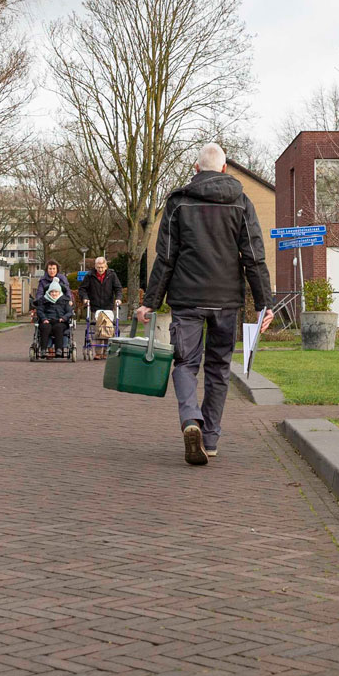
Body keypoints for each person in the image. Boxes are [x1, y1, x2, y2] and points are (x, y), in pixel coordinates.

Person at [135, 142, 274, 466]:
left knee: (185, 364)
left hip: (187, 299)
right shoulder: (241, 201)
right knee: (218, 368)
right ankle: (209, 440)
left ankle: (190, 421)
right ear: (224, 169)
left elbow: (165, 257)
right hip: (226, 301)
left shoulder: (179, 202)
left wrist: (151, 303)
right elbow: (254, 256)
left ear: (196, 169)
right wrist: (264, 304)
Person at [78, 256, 123, 358]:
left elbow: (118, 288)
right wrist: (85, 298)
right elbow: (82, 289)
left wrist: (118, 299)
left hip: (108, 306)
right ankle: (98, 352)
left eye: (102, 267)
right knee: (98, 327)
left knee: (107, 327)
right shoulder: (90, 275)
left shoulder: (112, 275)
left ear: (106, 266)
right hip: (95, 306)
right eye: (98, 267)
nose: (100, 269)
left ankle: (106, 352)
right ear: (95, 266)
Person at [33, 279, 73, 357]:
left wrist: (64, 318)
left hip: (60, 321)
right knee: (45, 327)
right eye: (52, 292)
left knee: (58, 327)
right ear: (49, 292)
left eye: (56, 292)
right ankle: (43, 350)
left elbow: (69, 312)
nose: (54, 294)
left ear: (59, 292)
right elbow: (40, 311)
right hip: (47, 320)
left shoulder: (65, 300)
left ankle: (59, 349)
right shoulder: (44, 300)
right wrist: (44, 319)